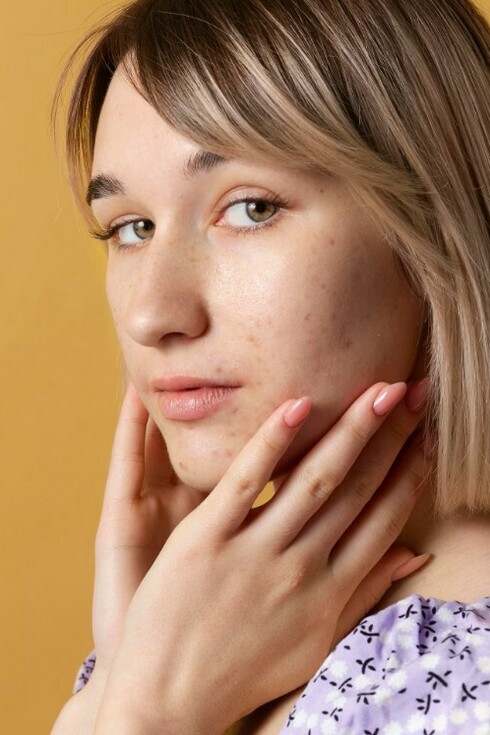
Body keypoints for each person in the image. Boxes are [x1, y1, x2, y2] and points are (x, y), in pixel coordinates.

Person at [51, 0, 490, 732]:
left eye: (250, 208)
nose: (150, 313)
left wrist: (141, 713)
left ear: (435, 229)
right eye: (131, 227)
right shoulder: (202, 626)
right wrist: (135, 667)